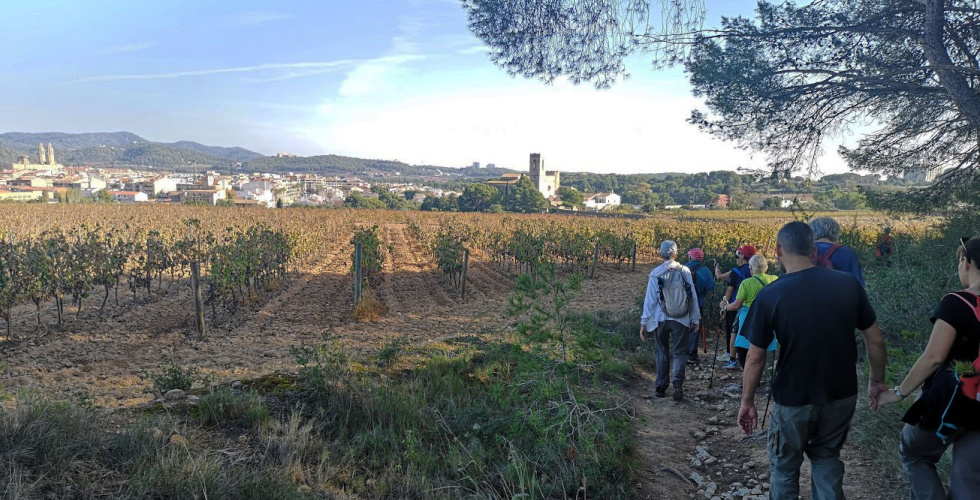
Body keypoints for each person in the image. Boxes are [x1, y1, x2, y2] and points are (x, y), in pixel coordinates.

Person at [738, 221, 888, 500]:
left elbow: (755, 359)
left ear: (778, 250)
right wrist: (877, 381)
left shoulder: (770, 294)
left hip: (793, 395)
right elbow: (876, 340)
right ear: (813, 249)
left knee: (784, 469)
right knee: (827, 458)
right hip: (841, 392)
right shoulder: (848, 284)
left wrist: (747, 402)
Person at [875, 236, 980, 499]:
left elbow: (933, 357)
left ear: (966, 262)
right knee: (969, 478)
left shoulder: (956, 302)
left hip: (951, 404)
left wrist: (898, 393)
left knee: (915, 453)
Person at [640, 240, 701, 401]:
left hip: (660, 319)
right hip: (681, 319)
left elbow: (650, 300)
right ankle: (677, 383)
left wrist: (644, 322)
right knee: (680, 352)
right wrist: (695, 318)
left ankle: (661, 386)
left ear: (661, 254)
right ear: (676, 254)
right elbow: (692, 296)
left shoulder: (656, 273)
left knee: (662, 350)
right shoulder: (685, 271)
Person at [723, 254, 778, 369]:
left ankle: (748, 374)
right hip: (768, 317)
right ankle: (758, 373)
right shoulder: (774, 279)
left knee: (743, 349)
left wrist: (725, 307)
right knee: (761, 347)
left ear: (752, 268)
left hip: (748, 318)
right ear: (766, 267)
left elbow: (737, 305)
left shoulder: (746, 283)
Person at [715, 245, 755, 370]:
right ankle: (744, 355)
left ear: (742, 257)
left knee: (732, 331)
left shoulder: (736, 271)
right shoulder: (756, 270)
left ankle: (731, 355)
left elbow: (728, 288)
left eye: (738, 254)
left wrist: (725, 305)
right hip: (751, 306)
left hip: (735, 305)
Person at [808, 216, 865, 286]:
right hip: (840, 295)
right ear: (836, 231)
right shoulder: (847, 253)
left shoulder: (803, 250)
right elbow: (857, 284)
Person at [685, 247, 715, 363]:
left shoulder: (683, 268)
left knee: (683, 327)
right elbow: (711, 290)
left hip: (682, 303)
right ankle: (692, 355)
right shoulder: (706, 271)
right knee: (695, 327)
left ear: (690, 257)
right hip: (699, 303)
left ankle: (681, 353)